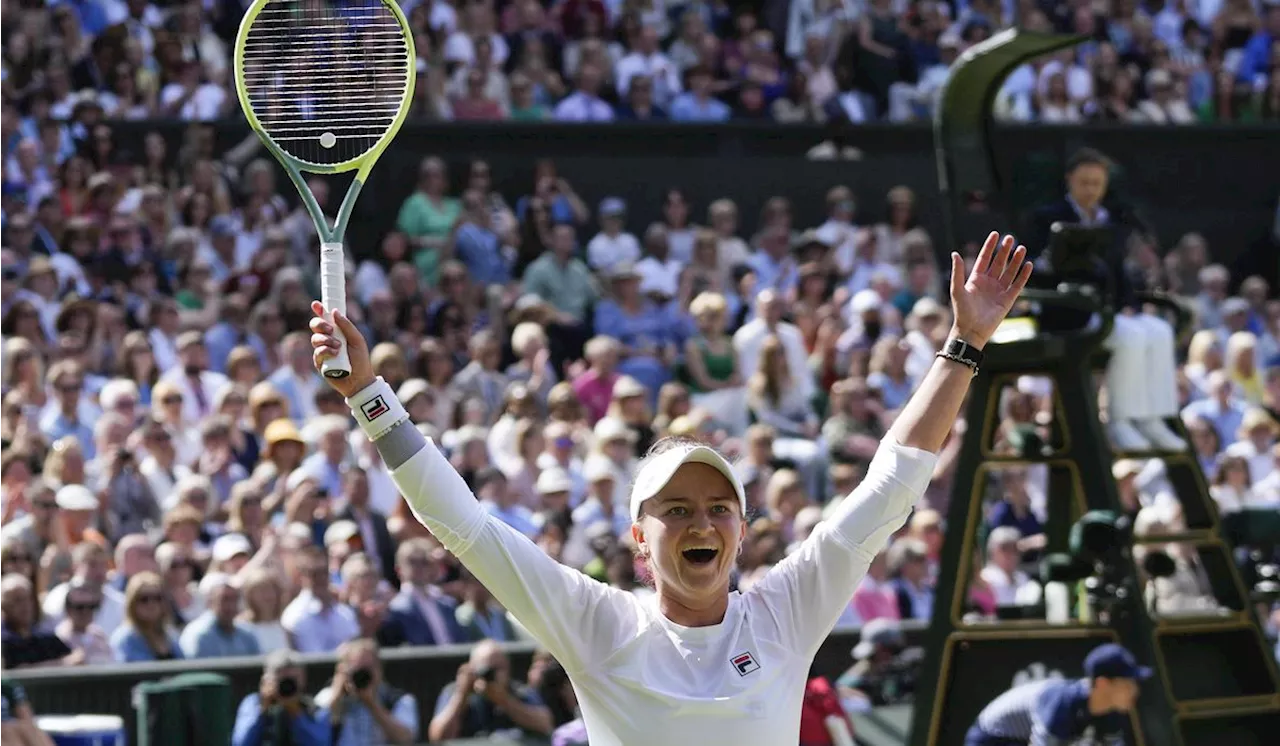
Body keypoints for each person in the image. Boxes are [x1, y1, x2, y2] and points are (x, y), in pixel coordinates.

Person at [309, 232, 1033, 745]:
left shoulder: (786, 611)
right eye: (677, 510)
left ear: (743, 532)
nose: (703, 524)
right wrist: (369, 393)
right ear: (640, 539)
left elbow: (893, 482)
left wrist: (964, 346)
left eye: (720, 509)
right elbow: (461, 524)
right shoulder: (597, 623)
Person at [1027, 148, 1185, 453]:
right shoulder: (1045, 218)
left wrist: (1130, 304)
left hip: (1106, 310)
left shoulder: (1111, 219)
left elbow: (1117, 271)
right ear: (1069, 180)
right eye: (1084, 182)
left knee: (1159, 330)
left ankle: (1153, 419)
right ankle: (1121, 420)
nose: (1090, 190)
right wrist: (1048, 260)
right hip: (1065, 313)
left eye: (1097, 183)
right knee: (1131, 336)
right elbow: (1030, 266)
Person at [965, 643, 1150, 745]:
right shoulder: (1061, 703)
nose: (1135, 690)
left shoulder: (1111, 711)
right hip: (991, 740)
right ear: (1102, 683)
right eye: (1127, 684)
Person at [232, 649, 329, 746]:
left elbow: (320, 743)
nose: (287, 685)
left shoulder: (315, 710)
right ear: (267, 679)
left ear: (303, 679)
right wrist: (262, 709)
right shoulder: (254, 703)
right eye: (282, 680)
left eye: (293, 679)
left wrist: (296, 713)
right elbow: (240, 743)